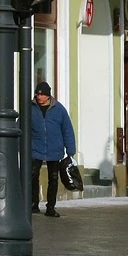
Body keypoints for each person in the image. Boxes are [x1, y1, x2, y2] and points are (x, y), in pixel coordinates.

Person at [30, 81, 76, 218]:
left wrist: (71, 150)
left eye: (42, 94)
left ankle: (50, 207)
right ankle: (33, 205)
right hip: (35, 149)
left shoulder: (59, 109)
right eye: (37, 94)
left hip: (54, 149)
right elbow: (20, 126)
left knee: (53, 178)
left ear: (48, 96)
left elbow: (67, 130)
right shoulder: (30, 108)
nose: (39, 97)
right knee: (32, 176)